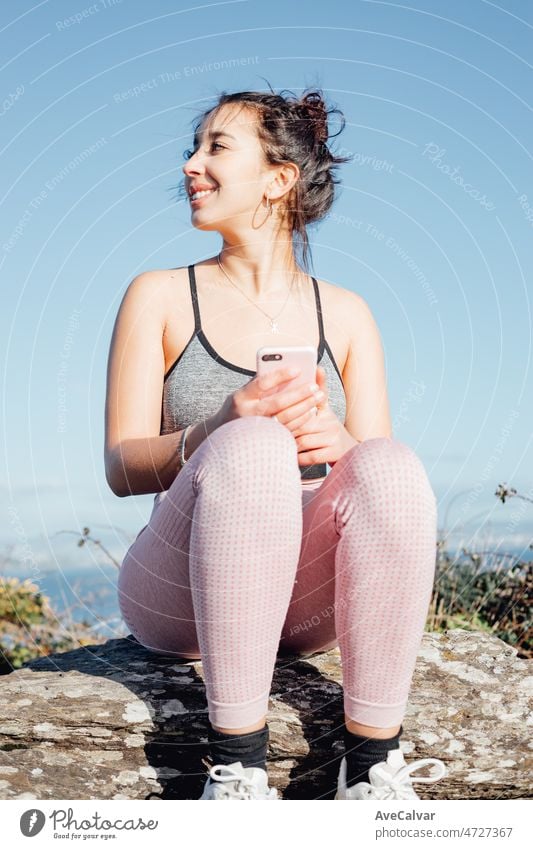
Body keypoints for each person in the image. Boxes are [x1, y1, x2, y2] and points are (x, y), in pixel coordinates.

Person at [105, 83, 446, 800]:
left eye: (216, 147)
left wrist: (343, 442)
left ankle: (371, 766)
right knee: (253, 444)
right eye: (193, 149)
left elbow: (382, 498)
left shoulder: (348, 315)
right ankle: (237, 767)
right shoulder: (160, 295)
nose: (191, 166)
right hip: (180, 595)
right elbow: (119, 466)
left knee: (390, 462)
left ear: (279, 179)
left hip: (304, 600)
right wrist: (220, 424)